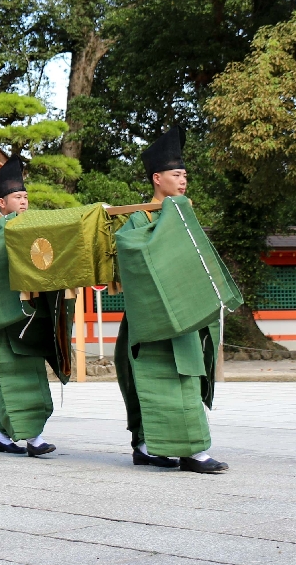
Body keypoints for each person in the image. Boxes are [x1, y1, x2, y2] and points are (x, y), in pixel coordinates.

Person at [115, 126, 229, 473]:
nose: (183, 181)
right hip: (151, 316)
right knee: (153, 381)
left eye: (185, 176)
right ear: (156, 178)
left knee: (188, 377)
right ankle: (149, 445)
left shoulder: (183, 214)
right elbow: (130, 251)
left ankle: (193, 449)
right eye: (176, 175)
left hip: (184, 315)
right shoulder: (138, 218)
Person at [0, 155, 71, 457]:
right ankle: (33, 436)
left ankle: (0, 434)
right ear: (1, 203)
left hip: (30, 316)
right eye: (17, 197)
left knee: (29, 372)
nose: (24, 202)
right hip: (4, 316)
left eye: (25, 196)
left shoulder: (32, 230)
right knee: (12, 375)